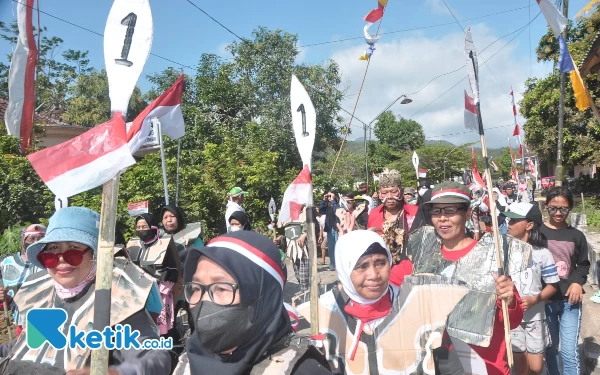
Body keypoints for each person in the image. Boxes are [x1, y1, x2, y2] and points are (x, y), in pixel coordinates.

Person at [0, 207, 171, 374]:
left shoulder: (115, 299)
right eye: (52, 249)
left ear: (96, 255)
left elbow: (153, 356)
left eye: (74, 248)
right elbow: (31, 344)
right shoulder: (43, 294)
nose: (61, 259)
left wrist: (118, 372)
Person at [173, 231, 332, 374]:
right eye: (195, 288)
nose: (203, 300)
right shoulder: (189, 359)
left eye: (221, 288)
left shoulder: (300, 369)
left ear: (262, 298)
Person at [412, 181, 525, 374]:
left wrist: (510, 299)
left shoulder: (492, 256)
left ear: (466, 214)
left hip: (486, 366)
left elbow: (512, 320)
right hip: (438, 365)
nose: (442, 219)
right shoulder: (421, 259)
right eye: (436, 212)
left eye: (450, 210)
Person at [504, 202, 559, 375]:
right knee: (519, 363)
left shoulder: (542, 254)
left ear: (529, 225)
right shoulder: (503, 252)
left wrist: (535, 300)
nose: (509, 224)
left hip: (536, 318)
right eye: (508, 220)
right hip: (512, 319)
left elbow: (553, 285)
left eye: (514, 220)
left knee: (536, 367)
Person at [541, 187, 590, 375]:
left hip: (570, 302)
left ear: (570, 209)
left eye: (564, 209)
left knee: (569, 352)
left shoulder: (577, 236)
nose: (558, 213)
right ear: (547, 207)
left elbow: (583, 264)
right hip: (546, 302)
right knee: (551, 349)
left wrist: (578, 282)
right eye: (554, 208)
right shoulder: (537, 233)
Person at [128, 214, 183, 350]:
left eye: (144, 226)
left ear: (152, 227)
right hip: (139, 294)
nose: (141, 229)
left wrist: (161, 287)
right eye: (138, 227)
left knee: (163, 328)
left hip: (160, 293)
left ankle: (169, 351)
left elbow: (172, 269)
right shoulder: (133, 245)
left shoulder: (164, 244)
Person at [367, 170, 418, 286]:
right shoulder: (374, 214)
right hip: (380, 276)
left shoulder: (415, 212)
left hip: (408, 275)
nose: (389, 197)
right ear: (379, 193)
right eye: (384, 193)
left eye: (393, 192)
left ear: (401, 191)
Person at [0, 224, 46, 337]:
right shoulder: (6, 264)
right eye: (31, 238)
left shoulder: (51, 262)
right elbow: (6, 302)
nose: (35, 242)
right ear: (23, 239)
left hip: (49, 320)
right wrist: (2, 297)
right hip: (22, 324)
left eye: (41, 239)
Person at [275, 205, 311, 293]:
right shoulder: (287, 218)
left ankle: (305, 292)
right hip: (292, 250)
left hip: (303, 249)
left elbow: (312, 228)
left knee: (304, 274)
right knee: (297, 273)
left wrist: (304, 235)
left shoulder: (306, 213)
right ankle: (304, 291)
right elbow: (287, 233)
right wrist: (280, 238)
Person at [319, 190, 340, 271]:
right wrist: (324, 200)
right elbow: (321, 211)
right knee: (331, 248)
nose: (329, 197)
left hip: (337, 228)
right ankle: (332, 264)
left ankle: (339, 264)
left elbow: (337, 210)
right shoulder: (327, 205)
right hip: (330, 229)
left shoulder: (338, 204)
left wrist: (333, 201)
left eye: (330, 196)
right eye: (328, 196)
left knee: (338, 247)